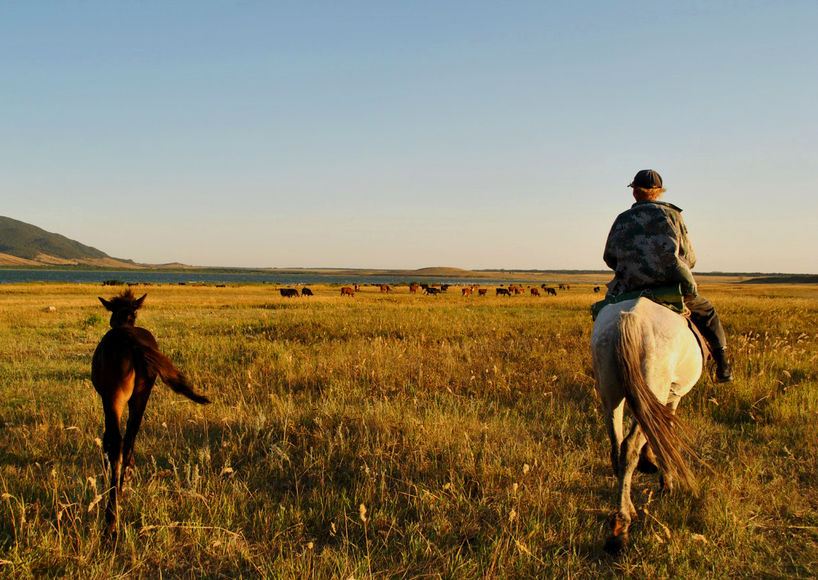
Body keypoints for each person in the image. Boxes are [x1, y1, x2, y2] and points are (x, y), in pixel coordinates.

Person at [603, 169, 733, 382]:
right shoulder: (673, 215)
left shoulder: (622, 219)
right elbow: (689, 258)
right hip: (670, 288)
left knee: (604, 317)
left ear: (634, 192)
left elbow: (609, 256)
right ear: (659, 192)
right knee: (707, 312)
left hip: (628, 289)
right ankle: (723, 365)